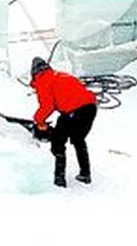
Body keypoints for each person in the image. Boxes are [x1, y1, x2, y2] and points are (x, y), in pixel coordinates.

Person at [29, 57, 98, 187]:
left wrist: (39, 121)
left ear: (34, 73)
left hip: (74, 111)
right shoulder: (62, 75)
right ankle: (85, 173)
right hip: (90, 108)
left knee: (58, 141)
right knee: (78, 139)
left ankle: (59, 179)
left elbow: (47, 107)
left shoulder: (43, 80)